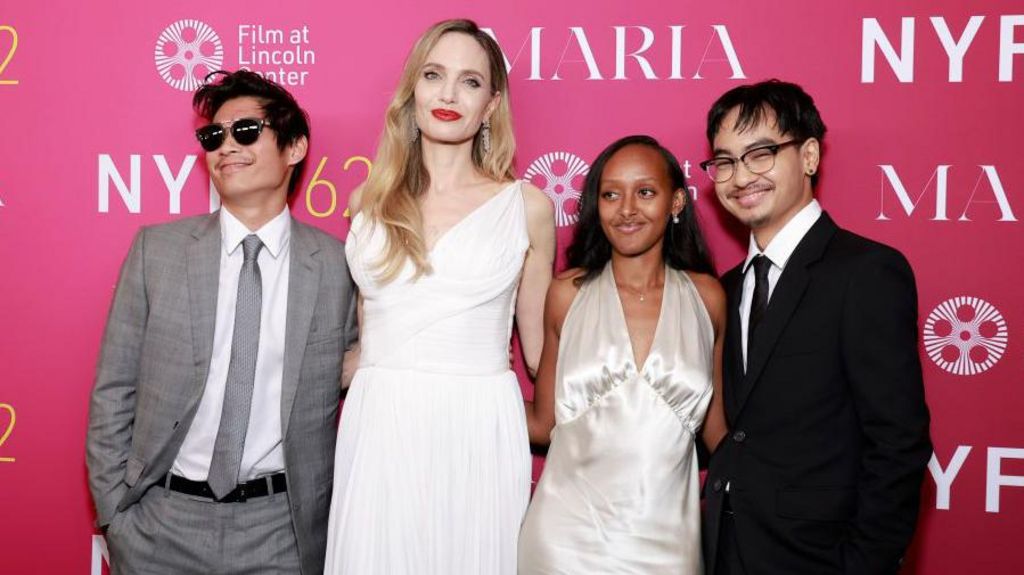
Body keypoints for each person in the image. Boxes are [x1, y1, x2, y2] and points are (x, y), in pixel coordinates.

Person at [86, 70, 358, 575]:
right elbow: (113, 389)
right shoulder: (156, 252)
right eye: (214, 136)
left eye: (246, 131)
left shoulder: (339, 267)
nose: (226, 146)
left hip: (281, 534)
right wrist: (115, 516)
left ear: (295, 147)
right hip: (159, 526)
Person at [323, 19, 555, 575]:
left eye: (470, 82)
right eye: (434, 75)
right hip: (380, 423)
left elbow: (541, 357)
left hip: (478, 428)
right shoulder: (367, 202)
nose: (449, 94)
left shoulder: (527, 207)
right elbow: (365, 339)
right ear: (413, 90)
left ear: (491, 104)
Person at [698, 79, 931, 575]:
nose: (741, 177)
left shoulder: (865, 273)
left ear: (807, 156)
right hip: (725, 549)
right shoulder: (727, 287)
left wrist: (863, 564)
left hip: (820, 556)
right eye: (725, 161)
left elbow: (898, 443)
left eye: (760, 154)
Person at [519, 135, 727, 574]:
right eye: (611, 194)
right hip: (563, 544)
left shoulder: (707, 297)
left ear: (676, 203)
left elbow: (718, 433)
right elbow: (542, 424)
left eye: (645, 192)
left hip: (669, 546)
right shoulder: (567, 294)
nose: (627, 209)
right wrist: (457, 388)